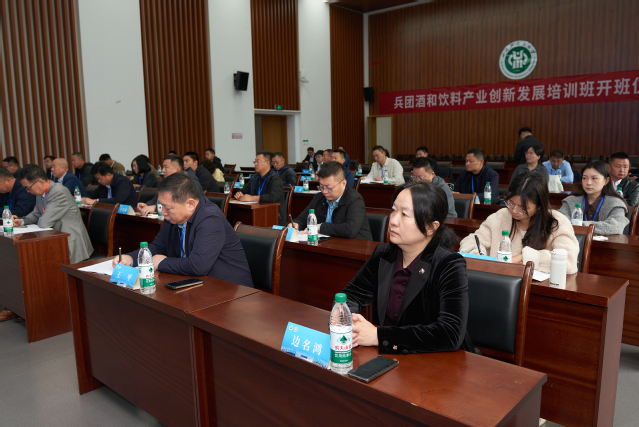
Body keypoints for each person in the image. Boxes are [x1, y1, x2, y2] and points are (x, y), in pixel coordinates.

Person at [338, 181, 473, 354]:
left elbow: (450, 333)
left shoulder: (449, 264)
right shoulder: (383, 254)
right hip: (387, 358)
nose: (393, 221)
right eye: (394, 210)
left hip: (435, 362)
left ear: (431, 227)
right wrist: (349, 321)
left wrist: (378, 336)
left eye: (404, 214)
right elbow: (349, 296)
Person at [115, 173, 253, 287]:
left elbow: (198, 265)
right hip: (196, 284)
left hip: (230, 291)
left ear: (190, 204)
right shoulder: (173, 217)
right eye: (161, 206)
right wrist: (131, 258)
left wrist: (162, 263)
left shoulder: (210, 219)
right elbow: (158, 247)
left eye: (168, 208)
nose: (163, 212)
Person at [460, 172, 579, 274]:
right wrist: (477, 253)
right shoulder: (502, 216)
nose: (514, 211)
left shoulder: (557, 222)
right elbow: (471, 240)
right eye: (510, 203)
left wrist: (523, 257)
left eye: (522, 208)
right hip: (500, 282)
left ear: (539, 206)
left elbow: (569, 262)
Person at [14, 165, 92, 264]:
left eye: (28, 188)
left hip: (70, 244)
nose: (28, 191)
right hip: (55, 240)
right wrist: (21, 221)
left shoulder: (58, 192)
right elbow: (36, 214)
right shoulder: (40, 192)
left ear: (41, 182)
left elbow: (44, 223)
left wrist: (38, 219)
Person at [289, 161, 372, 240]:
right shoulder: (319, 197)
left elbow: (350, 230)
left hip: (356, 246)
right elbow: (303, 218)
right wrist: (296, 224)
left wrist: (320, 227)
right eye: (321, 187)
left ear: (343, 183)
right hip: (328, 244)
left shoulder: (354, 199)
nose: (324, 191)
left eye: (329, 188)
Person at [559, 161, 629, 235]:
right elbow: (560, 222)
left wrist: (580, 225)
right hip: (573, 241)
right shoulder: (570, 201)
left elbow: (616, 227)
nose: (588, 183)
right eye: (585, 178)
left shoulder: (615, 203)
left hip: (606, 242)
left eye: (594, 178)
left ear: (606, 181)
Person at [138, 155, 204, 216]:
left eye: (166, 167)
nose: (163, 170)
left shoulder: (190, 183)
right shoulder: (167, 182)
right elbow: (156, 199)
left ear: (177, 169)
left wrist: (156, 208)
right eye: (163, 167)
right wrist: (146, 205)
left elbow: (183, 207)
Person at [234, 151, 286, 226]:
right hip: (256, 212)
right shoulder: (255, 178)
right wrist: (239, 194)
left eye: (258, 161)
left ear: (267, 163)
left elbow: (273, 197)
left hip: (272, 216)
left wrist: (252, 198)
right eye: (254, 162)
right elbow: (243, 190)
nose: (255, 164)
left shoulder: (276, 179)